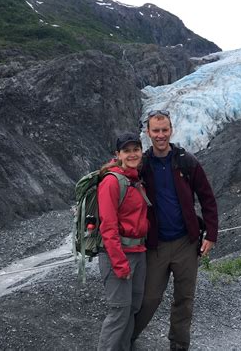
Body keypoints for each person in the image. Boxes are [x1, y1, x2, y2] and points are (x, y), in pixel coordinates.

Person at [133, 110, 219, 350]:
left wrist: (211, 234)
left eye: (164, 130)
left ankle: (179, 346)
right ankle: (126, 339)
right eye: (155, 131)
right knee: (149, 299)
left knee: (184, 299)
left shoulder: (186, 161)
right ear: (148, 133)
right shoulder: (142, 165)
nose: (160, 135)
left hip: (186, 243)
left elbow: (207, 198)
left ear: (171, 130)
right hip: (155, 245)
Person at [97, 132, 149, 351]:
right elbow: (107, 227)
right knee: (119, 311)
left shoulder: (135, 179)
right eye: (126, 151)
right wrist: (119, 263)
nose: (132, 154)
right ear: (117, 154)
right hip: (118, 255)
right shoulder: (111, 182)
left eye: (135, 149)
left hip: (138, 251)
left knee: (132, 308)